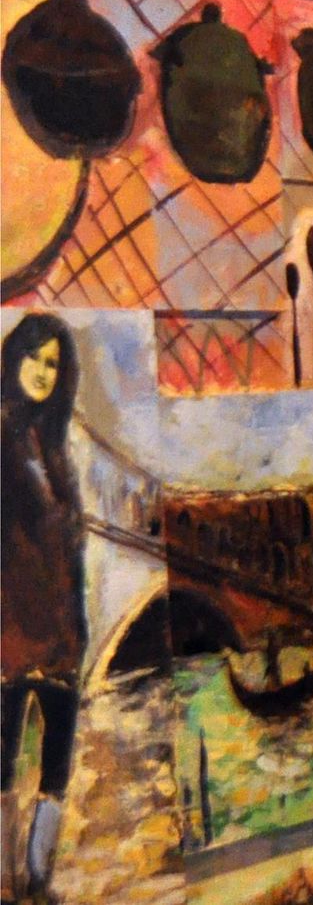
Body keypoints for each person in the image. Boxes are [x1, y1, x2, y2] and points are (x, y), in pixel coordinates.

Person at [1, 313, 86, 901]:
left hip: (59, 639)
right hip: (9, 638)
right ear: (13, 359)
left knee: (56, 769)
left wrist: (78, 631)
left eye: (53, 362)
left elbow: (68, 556)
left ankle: (37, 881)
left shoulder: (53, 446)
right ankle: (7, 884)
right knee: (2, 765)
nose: (41, 370)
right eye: (33, 356)